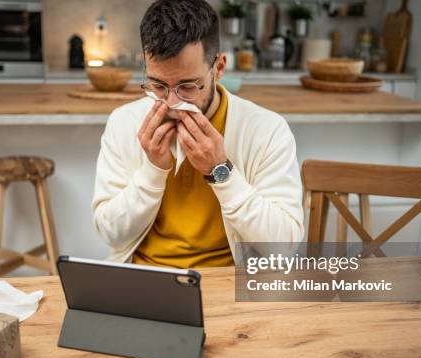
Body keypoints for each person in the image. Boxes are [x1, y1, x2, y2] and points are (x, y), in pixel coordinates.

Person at [92, 0, 303, 268]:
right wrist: (153, 171)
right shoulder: (124, 122)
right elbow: (111, 234)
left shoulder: (267, 130)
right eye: (158, 85)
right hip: (144, 278)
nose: (171, 103)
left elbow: (283, 247)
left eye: (187, 86)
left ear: (219, 68)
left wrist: (221, 172)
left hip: (229, 284)